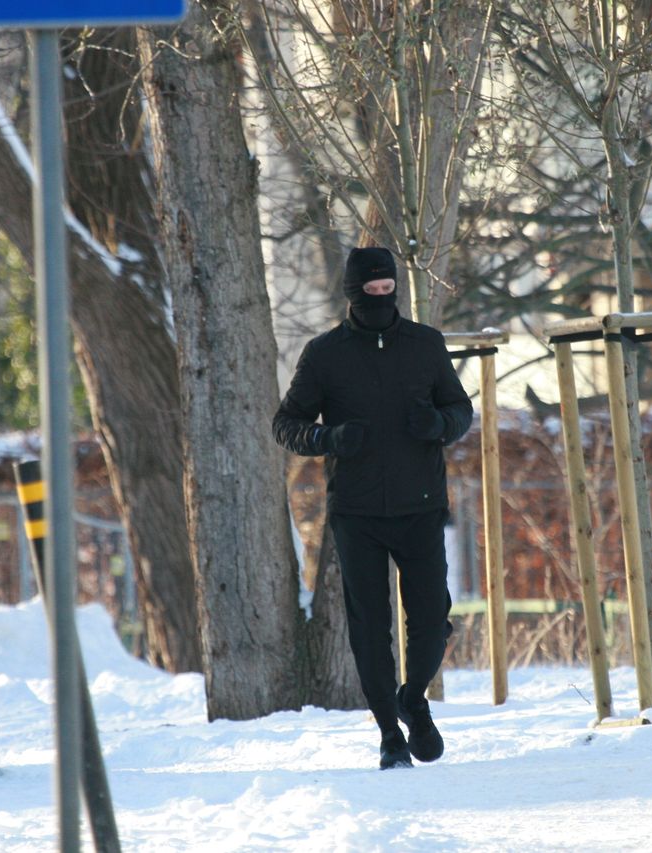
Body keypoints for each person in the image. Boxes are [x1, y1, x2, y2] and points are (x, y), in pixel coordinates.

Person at [273, 246, 473, 769]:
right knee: (369, 628)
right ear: (353, 295)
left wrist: (440, 425)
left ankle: (413, 699)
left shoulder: (426, 345)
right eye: (371, 292)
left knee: (432, 619)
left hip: (421, 504)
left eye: (388, 290)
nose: (381, 299)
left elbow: (459, 408)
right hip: (357, 512)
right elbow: (286, 424)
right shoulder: (324, 355)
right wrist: (329, 436)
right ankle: (389, 732)